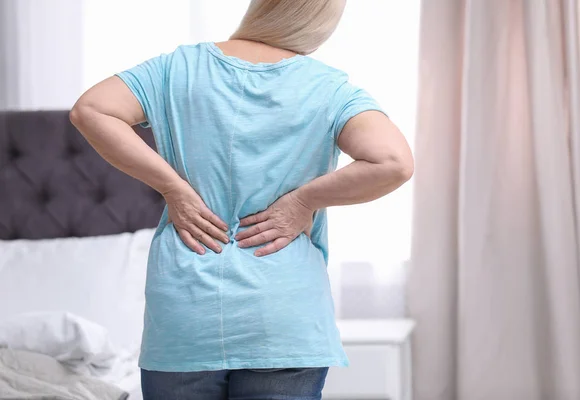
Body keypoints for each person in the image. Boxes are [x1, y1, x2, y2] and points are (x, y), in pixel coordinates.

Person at [70, 0, 413, 398]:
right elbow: (393, 162)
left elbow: (90, 109)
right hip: (283, 314)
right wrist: (303, 201)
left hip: (187, 310)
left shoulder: (176, 69)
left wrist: (173, 187)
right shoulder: (330, 89)